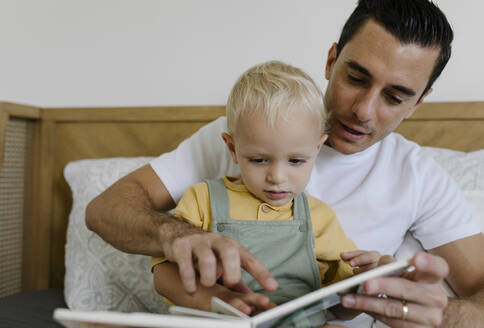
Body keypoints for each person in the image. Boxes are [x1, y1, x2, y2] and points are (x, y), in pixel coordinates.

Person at [86, 0, 484, 327]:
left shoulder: (418, 176)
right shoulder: (241, 132)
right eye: (356, 78)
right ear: (331, 61)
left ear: (418, 102)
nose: (363, 110)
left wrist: (440, 315)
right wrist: (175, 235)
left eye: (395, 97)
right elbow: (106, 210)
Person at [152, 61, 378, 327]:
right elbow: (163, 274)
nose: (277, 178)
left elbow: (344, 307)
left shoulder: (319, 217)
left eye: (295, 161)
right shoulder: (203, 200)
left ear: (317, 149)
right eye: (259, 160)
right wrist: (222, 298)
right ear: (233, 148)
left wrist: (368, 284)